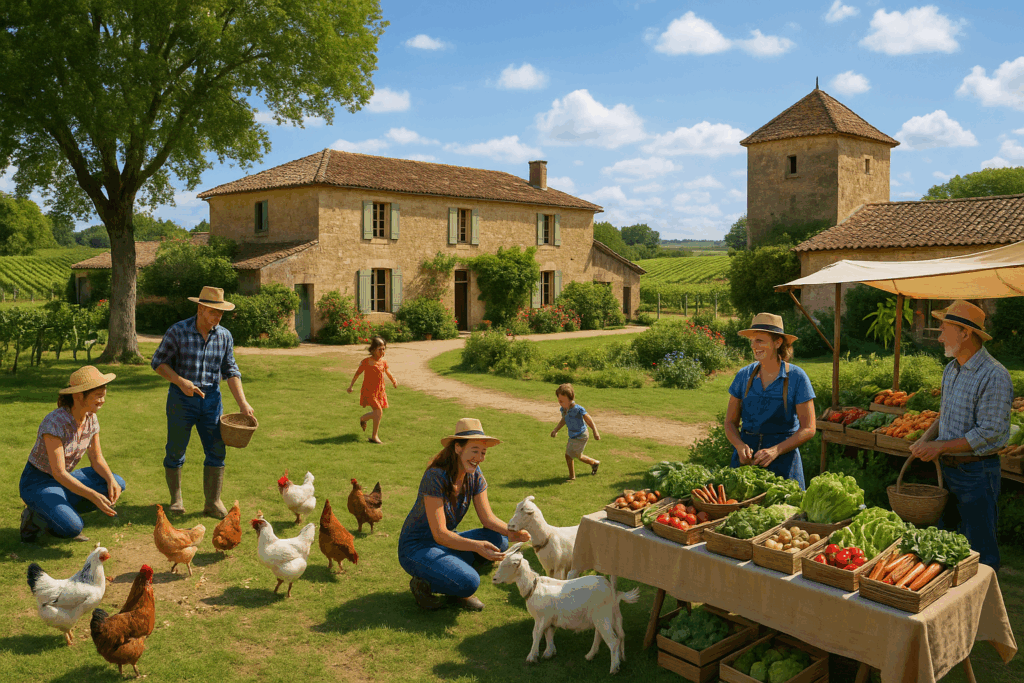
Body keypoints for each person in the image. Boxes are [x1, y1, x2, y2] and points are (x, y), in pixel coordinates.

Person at [909, 300, 1012, 571]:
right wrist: (925, 440)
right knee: (946, 547)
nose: (940, 335)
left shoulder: (994, 375)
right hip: (948, 471)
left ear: (966, 333)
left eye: (944, 329)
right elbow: (945, 414)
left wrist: (939, 447)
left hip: (977, 474)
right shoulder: (951, 369)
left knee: (980, 555)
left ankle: (986, 611)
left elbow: (990, 433)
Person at [398, 418, 531, 611]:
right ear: (458, 448)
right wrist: (476, 546)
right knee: (469, 582)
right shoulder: (435, 476)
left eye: (483, 452)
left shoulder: (474, 474)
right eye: (474, 450)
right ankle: (428, 583)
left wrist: (513, 533)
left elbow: (488, 519)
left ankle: (449, 572)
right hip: (417, 548)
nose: (479, 457)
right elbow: (440, 534)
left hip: (443, 543)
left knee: (500, 541)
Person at [151, 286, 254, 519]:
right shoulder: (178, 331)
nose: (217, 318)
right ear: (200, 309)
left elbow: (231, 370)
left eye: (220, 313)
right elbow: (158, 362)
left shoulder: (224, 336)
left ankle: (213, 501)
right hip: (181, 399)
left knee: (217, 449)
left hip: (211, 400)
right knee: (175, 450)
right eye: (212, 312)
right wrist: (180, 382)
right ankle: (176, 499)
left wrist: (243, 404)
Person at [20, 366, 126, 543]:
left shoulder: (91, 418)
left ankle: (55, 507)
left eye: (104, 395)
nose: (103, 400)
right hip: (38, 482)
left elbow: (96, 458)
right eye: (98, 395)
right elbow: (58, 472)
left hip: (63, 480)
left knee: (117, 483)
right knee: (72, 527)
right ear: (78, 396)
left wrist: (110, 479)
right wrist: (93, 496)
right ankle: (36, 514)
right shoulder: (54, 423)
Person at [724, 313, 816, 488]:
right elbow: (730, 422)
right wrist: (739, 445)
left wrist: (776, 450)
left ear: (777, 342)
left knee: (785, 512)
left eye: (759, 340)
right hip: (747, 464)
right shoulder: (744, 376)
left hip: (784, 463)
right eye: (752, 341)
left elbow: (809, 428)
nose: (753, 346)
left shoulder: (797, 377)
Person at [347, 336, 398, 444]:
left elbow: (388, 372)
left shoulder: (383, 362)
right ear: (373, 350)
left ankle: (363, 418)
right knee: (378, 411)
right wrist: (351, 386)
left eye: (384, 349)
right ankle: (374, 436)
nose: (382, 351)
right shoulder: (366, 361)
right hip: (369, 391)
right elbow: (357, 374)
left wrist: (393, 380)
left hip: (380, 390)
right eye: (380, 349)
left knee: (377, 412)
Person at [550, 383, 601, 480]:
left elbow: (588, 420)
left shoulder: (578, 409)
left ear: (570, 398)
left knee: (568, 455)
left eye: (562, 401)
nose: (560, 403)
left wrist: (595, 431)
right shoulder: (564, 409)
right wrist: (556, 429)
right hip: (574, 435)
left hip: (581, 435)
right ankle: (594, 463)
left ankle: (572, 476)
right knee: (578, 455)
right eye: (559, 401)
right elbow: (564, 420)